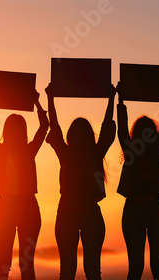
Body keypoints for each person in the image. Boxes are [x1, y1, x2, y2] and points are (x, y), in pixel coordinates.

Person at [45, 83, 116, 280]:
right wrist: (50, 98)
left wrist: (112, 99)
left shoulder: (92, 153)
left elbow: (106, 125)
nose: (78, 138)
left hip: (85, 213)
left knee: (88, 270)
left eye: (81, 134)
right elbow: (55, 127)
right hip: (70, 213)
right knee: (72, 270)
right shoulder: (69, 154)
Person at [0, 93, 48, 280]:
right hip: (10, 207)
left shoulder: (27, 151)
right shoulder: (6, 151)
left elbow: (44, 127)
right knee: (4, 264)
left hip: (25, 208)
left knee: (24, 266)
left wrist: (37, 102)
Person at [116, 84, 159, 280]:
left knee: (152, 268)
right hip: (142, 210)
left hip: (150, 210)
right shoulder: (132, 152)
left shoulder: (148, 150)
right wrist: (121, 102)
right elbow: (122, 131)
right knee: (141, 268)